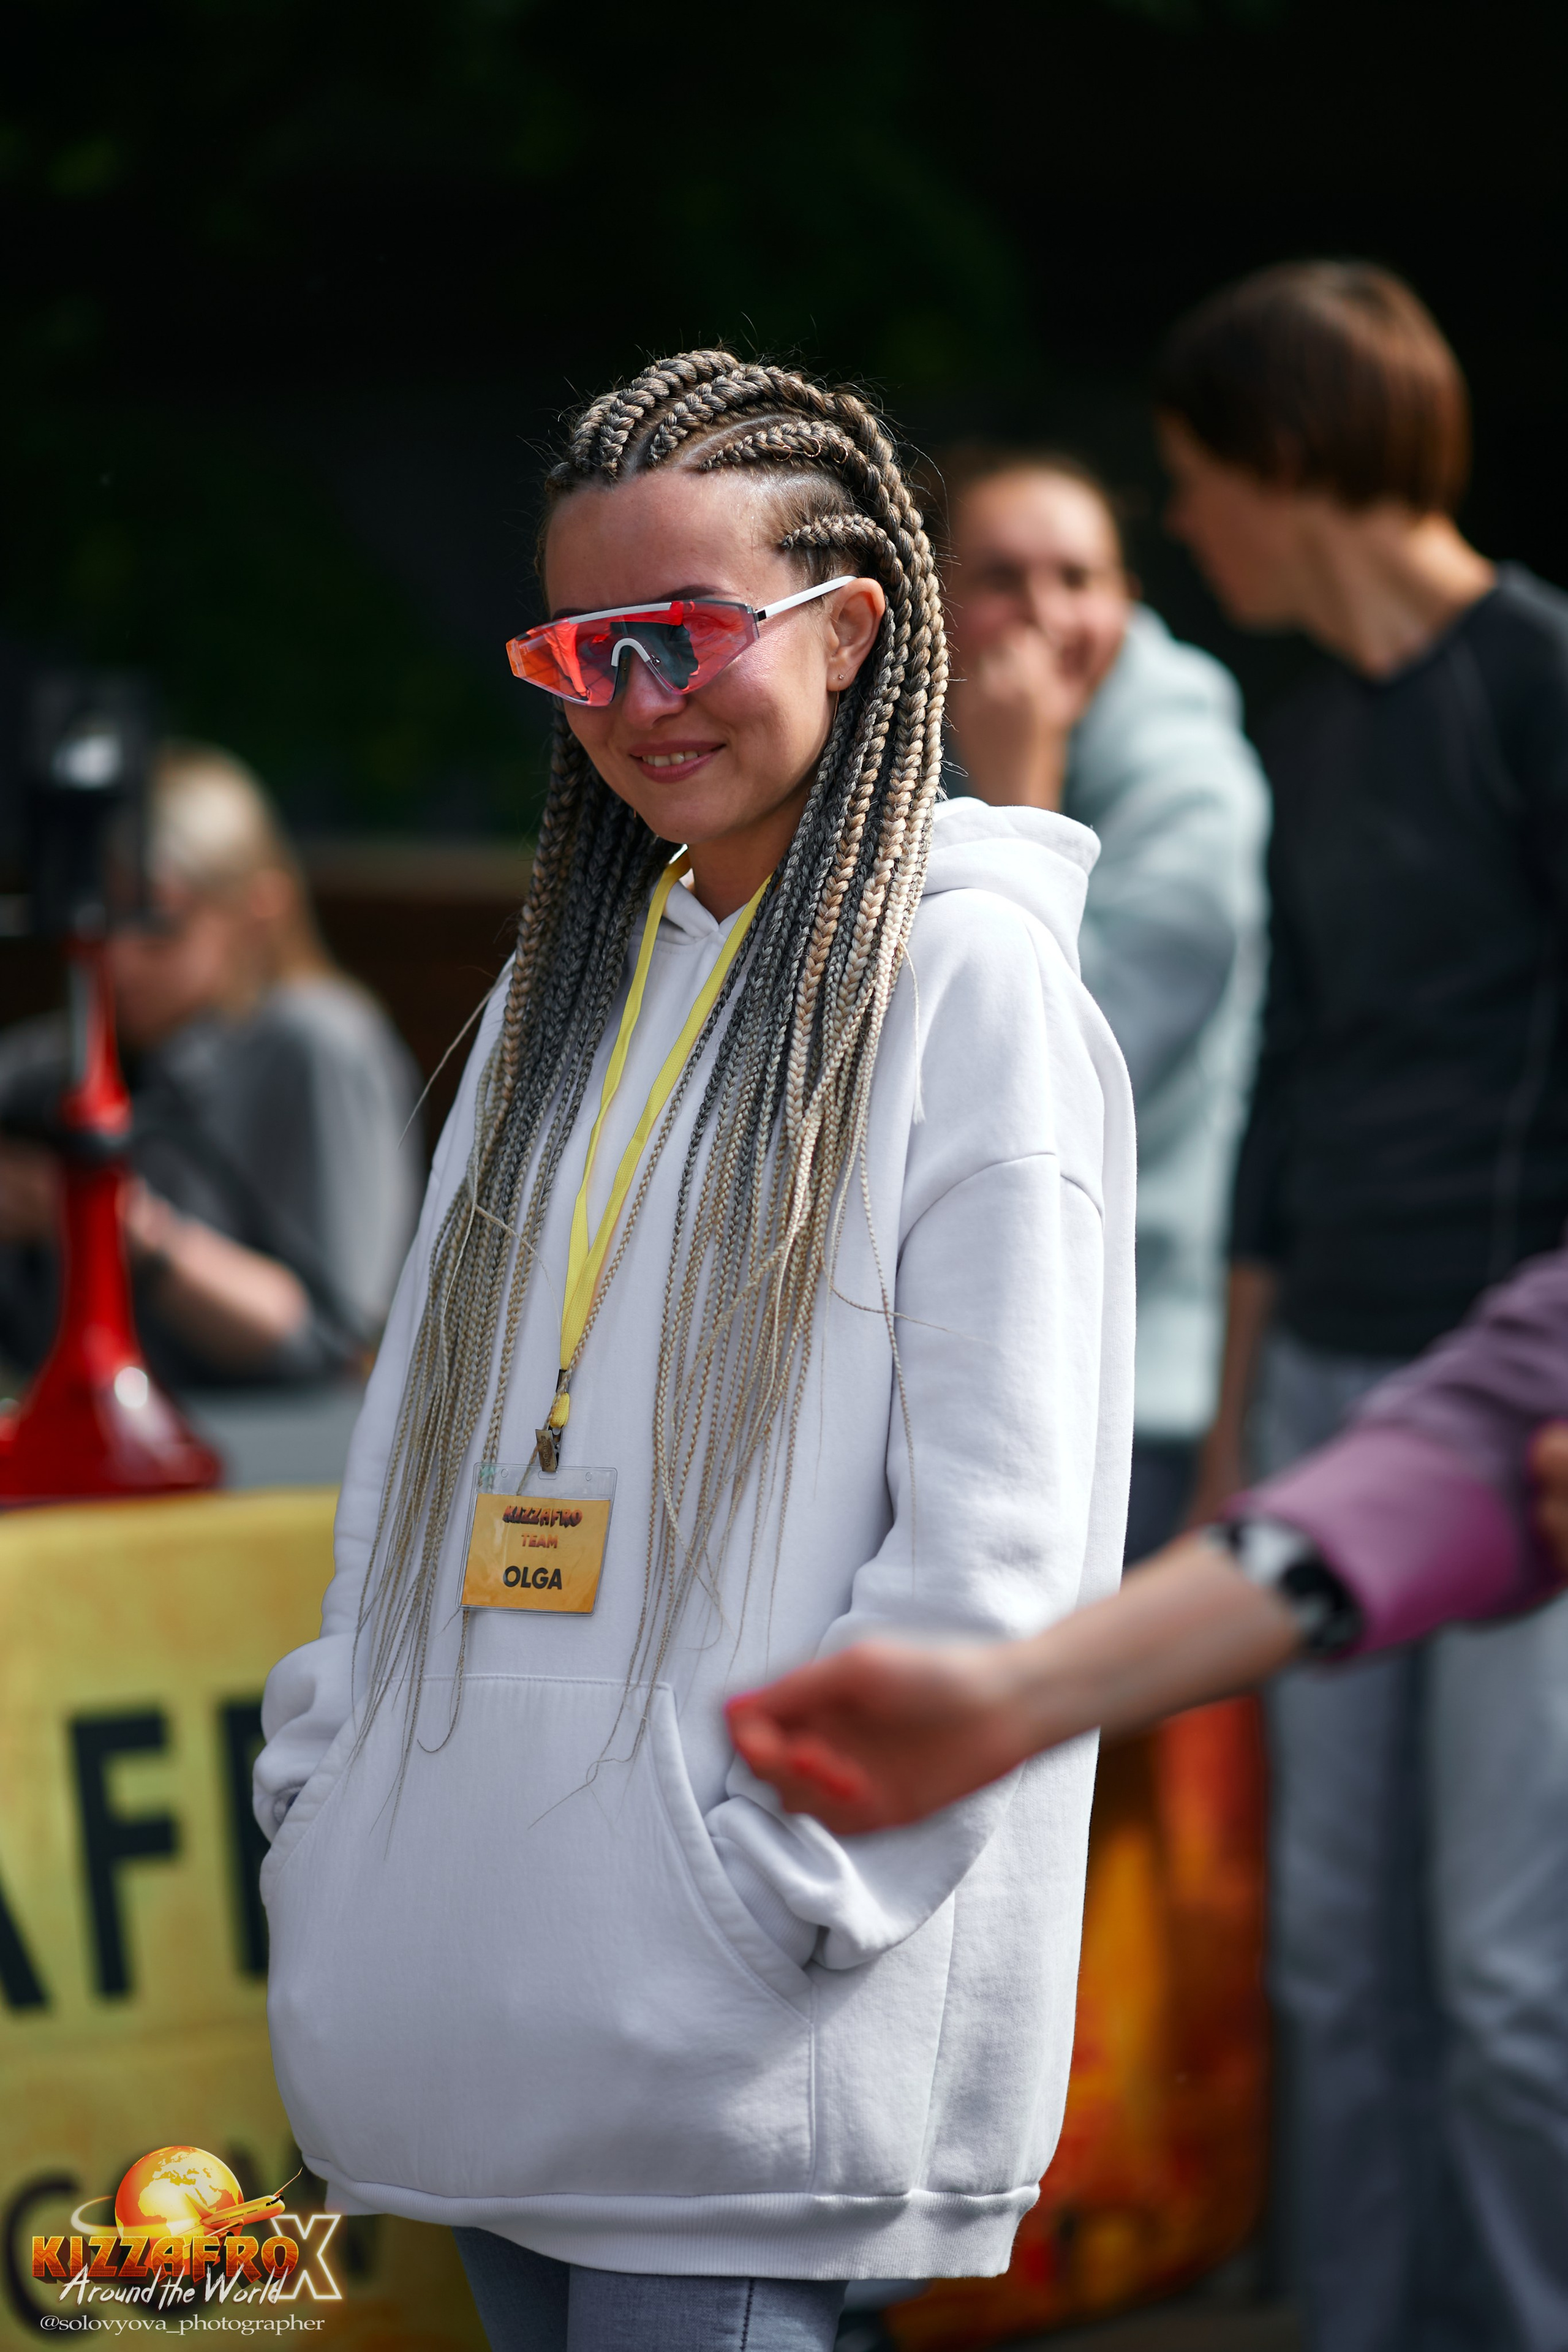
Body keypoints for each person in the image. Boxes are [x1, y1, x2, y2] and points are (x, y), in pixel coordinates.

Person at [252, 350, 1135, 2352]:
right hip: (476, 1996)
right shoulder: (561, 995)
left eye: (687, 635)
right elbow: (409, 1472)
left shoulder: (969, 983)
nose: (635, 703)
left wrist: (780, 1898)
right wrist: (337, 1810)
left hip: (742, 2047)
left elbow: (1001, 1556)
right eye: (584, 652)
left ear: (850, 629)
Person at [1141, 263, 1568, 2352]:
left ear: (1287, 462)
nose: (1182, 528)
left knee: (1503, 1972)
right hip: (1320, 1386)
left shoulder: (1545, 682)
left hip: (1523, 1421)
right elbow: (1285, 1093)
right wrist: (1234, 1421)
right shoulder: (1303, 724)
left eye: (1195, 481)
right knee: (1330, 1954)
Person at [937, 446, 1267, 1557]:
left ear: (1128, 596)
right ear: (932, 593)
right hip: (934, 1333)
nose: (1042, 616)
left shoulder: (1195, 787)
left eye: (1078, 579)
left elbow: (1053, 1068)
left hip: (1119, 1368)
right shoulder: (904, 750)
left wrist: (1019, 796)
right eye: (998, 577)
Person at [0, 744, 422, 1389]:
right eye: (98, 923)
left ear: (259, 909)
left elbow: (341, 1340)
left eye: (159, 927)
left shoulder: (316, 1043)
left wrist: (115, 1222)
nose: (117, 960)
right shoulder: (46, 1064)